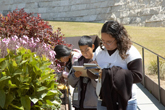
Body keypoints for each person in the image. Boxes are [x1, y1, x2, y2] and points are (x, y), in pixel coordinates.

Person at [93, 21, 143, 110]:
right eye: (103, 41)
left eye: (109, 41)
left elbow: (138, 76)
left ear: (119, 38)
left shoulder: (130, 51)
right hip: (103, 100)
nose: (105, 44)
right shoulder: (99, 51)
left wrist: (107, 73)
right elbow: (95, 75)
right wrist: (92, 70)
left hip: (126, 102)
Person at [68, 36, 98, 110]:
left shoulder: (98, 62)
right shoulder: (77, 62)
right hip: (78, 102)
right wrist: (75, 76)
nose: (84, 53)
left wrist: (92, 74)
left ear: (93, 47)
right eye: (81, 50)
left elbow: (98, 86)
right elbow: (71, 83)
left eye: (87, 50)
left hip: (92, 104)